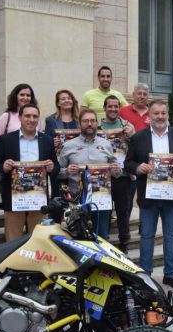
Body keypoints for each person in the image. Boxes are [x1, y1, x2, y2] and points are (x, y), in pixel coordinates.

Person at [125, 99, 173, 290]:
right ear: (149, 115)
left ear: (167, 115)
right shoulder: (138, 138)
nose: (160, 116)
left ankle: (170, 275)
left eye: (163, 113)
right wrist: (138, 167)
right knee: (147, 235)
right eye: (156, 113)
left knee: (171, 236)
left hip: (172, 197)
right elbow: (128, 163)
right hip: (149, 197)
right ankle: (146, 275)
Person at [0, 103, 58, 241]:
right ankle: (12, 264)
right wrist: (4, 168)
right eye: (27, 116)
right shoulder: (6, 140)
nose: (31, 119)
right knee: (12, 240)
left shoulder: (47, 140)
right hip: (14, 198)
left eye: (35, 116)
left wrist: (52, 168)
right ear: (20, 117)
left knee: (39, 240)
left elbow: (56, 166)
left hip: (38, 199)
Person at [58, 109, 122, 240]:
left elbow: (117, 172)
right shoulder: (68, 145)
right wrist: (67, 171)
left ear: (96, 123)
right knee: (79, 239)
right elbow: (57, 172)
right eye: (85, 121)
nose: (89, 124)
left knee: (102, 237)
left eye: (92, 121)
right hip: (77, 200)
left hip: (101, 199)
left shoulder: (106, 144)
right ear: (79, 124)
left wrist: (116, 170)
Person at [101, 95, 135, 252]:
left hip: (122, 176)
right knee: (104, 210)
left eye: (116, 106)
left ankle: (124, 243)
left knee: (123, 211)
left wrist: (131, 136)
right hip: (102, 176)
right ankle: (103, 240)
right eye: (110, 106)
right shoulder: (98, 126)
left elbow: (136, 147)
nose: (113, 109)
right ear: (105, 108)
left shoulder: (127, 125)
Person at [119, 82, 150, 221]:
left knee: (146, 199)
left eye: (145, 94)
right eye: (139, 93)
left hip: (149, 162)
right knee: (128, 197)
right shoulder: (123, 111)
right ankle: (125, 226)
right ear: (133, 95)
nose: (142, 96)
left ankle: (144, 228)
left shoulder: (154, 113)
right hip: (129, 161)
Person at [44, 89, 80, 197]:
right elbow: (46, 141)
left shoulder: (79, 119)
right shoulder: (51, 120)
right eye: (63, 99)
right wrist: (52, 142)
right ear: (58, 103)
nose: (66, 100)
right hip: (59, 162)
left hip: (76, 161)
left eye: (69, 98)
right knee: (59, 194)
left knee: (76, 193)